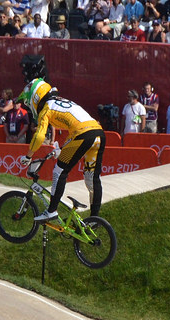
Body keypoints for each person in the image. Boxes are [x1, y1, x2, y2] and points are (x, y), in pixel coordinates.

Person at [17, 77, 106, 222]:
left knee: (59, 171)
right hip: (98, 133)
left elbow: (39, 136)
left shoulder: (47, 108)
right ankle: (95, 220)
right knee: (92, 178)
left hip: (82, 135)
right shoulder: (64, 101)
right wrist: (62, 149)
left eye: (28, 104)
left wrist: (28, 156)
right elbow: (77, 126)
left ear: (35, 97)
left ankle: (51, 211)